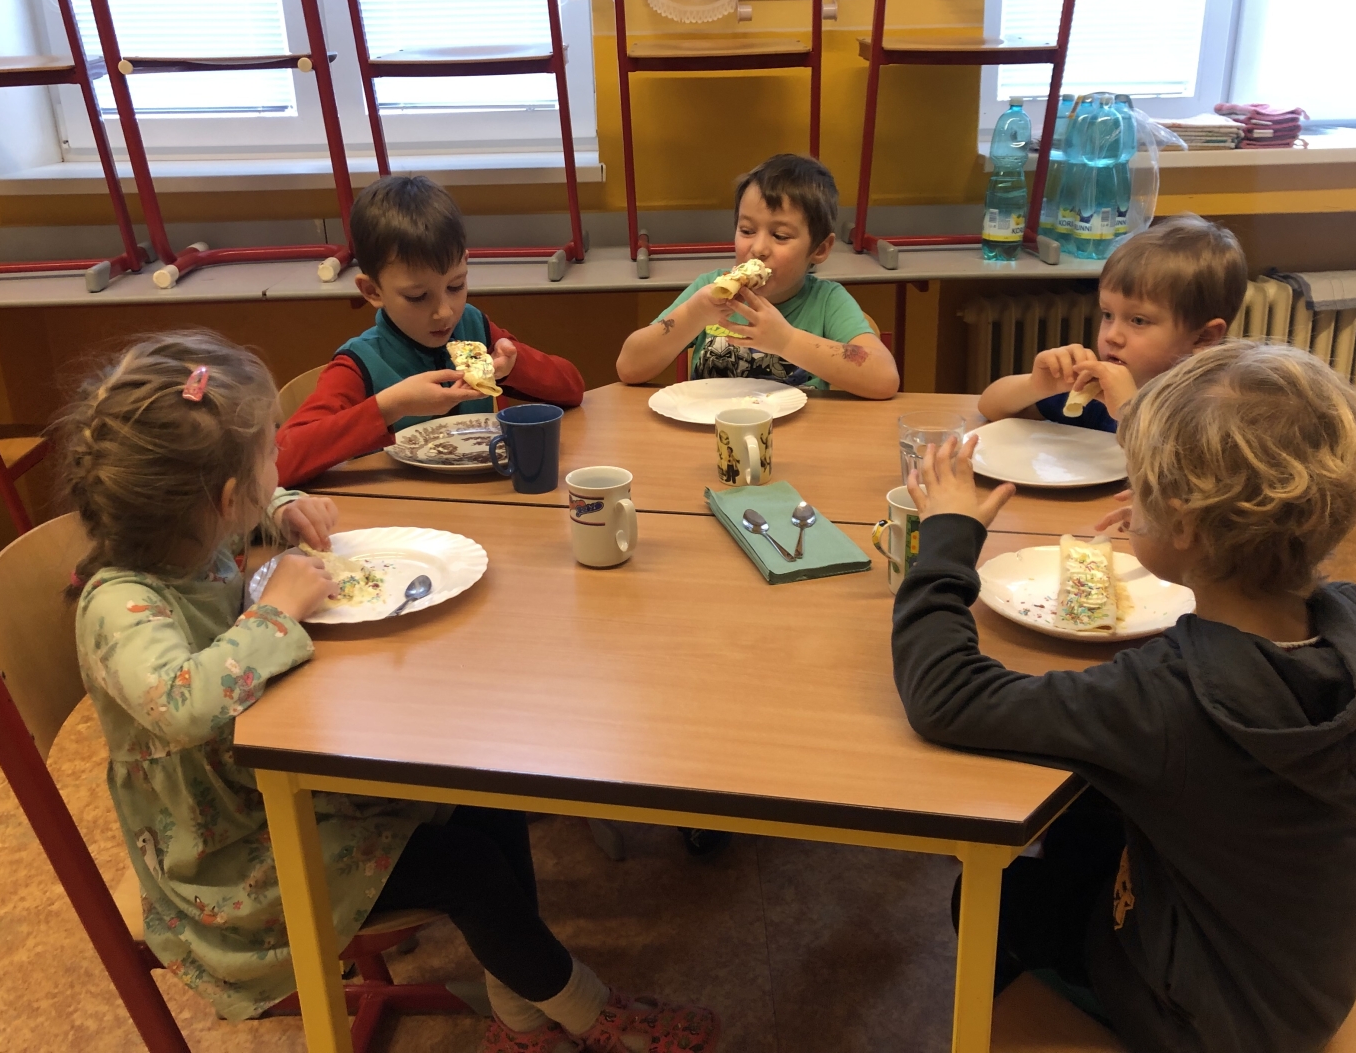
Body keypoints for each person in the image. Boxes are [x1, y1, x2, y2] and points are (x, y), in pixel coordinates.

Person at [62, 331, 718, 1053]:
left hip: (282, 783)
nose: (278, 467)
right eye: (268, 460)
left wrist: (281, 506)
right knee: (468, 869)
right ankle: (590, 1012)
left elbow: (248, 507)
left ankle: (523, 1019)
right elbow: (181, 703)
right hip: (231, 862)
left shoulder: (186, 538)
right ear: (223, 499)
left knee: (487, 792)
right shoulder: (118, 605)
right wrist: (276, 612)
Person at [892, 341, 1356, 1053]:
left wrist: (947, 537)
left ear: (1186, 523)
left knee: (997, 898)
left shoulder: (1166, 699)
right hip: (1299, 981)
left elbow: (944, 695)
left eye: (1145, 490)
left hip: (1205, 1023)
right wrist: (1187, 535)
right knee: (1088, 811)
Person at [276, 175, 585, 487]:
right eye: (417, 296)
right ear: (372, 291)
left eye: (456, 285)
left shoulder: (472, 330)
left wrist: (511, 368)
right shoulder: (361, 363)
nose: (445, 312)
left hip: (486, 498)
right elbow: (277, 464)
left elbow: (572, 388)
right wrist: (391, 406)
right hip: (398, 509)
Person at [615, 153, 900, 399]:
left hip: (800, 438)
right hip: (711, 433)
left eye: (780, 235)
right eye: (747, 231)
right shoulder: (707, 290)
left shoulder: (827, 302)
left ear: (820, 249)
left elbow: (884, 378)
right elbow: (629, 367)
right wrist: (693, 314)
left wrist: (786, 341)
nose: (758, 248)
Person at [977, 214, 1247, 431]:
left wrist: (1128, 411)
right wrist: (1035, 386)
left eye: (1138, 320)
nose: (1112, 336)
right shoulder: (1100, 390)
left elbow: (1178, 471)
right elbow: (991, 407)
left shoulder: (1213, 408)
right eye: (1108, 315)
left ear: (1204, 336)